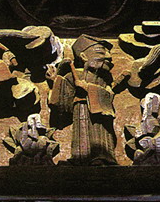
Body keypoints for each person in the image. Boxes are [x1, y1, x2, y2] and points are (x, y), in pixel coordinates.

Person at [47, 35, 117, 165]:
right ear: (84, 56)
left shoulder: (104, 79)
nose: (108, 57)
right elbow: (62, 99)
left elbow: (109, 95)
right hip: (80, 108)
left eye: (108, 53)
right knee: (81, 132)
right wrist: (55, 81)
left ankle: (102, 157)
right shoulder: (74, 75)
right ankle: (79, 158)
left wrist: (89, 88)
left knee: (100, 133)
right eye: (101, 52)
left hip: (100, 113)